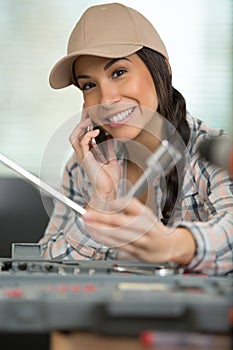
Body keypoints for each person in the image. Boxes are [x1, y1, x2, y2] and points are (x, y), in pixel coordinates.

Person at [39, 2, 233, 276]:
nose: (106, 100)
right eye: (89, 85)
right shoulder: (82, 165)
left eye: (118, 72)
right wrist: (101, 201)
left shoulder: (211, 152)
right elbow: (48, 269)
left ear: (162, 69)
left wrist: (174, 245)